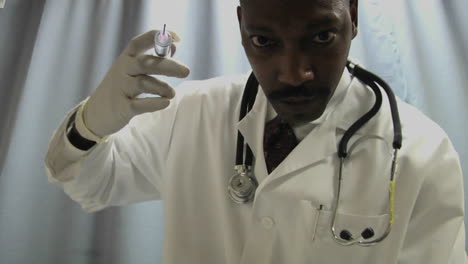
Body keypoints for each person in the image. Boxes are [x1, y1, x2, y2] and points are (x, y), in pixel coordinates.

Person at [45, 0, 468, 263]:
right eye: (264, 41)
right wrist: (90, 124)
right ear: (241, 25)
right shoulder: (193, 114)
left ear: (352, 16)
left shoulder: (420, 152)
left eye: (321, 36)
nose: (294, 72)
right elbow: (90, 184)